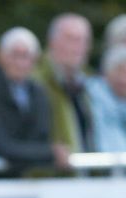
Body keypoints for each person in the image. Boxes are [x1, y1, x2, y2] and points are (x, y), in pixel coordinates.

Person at [0, 27, 64, 175]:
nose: (20, 63)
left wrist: (41, 151)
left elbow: (42, 137)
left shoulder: (39, 92)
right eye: (15, 55)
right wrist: (49, 153)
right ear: (0, 56)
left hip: (24, 180)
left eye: (25, 56)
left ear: (35, 60)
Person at [35, 13, 94, 154]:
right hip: (50, 171)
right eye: (71, 39)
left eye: (83, 40)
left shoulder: (91, 83)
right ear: (52, 42)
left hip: (86, 170)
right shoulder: (35, 82)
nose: (78, 47)